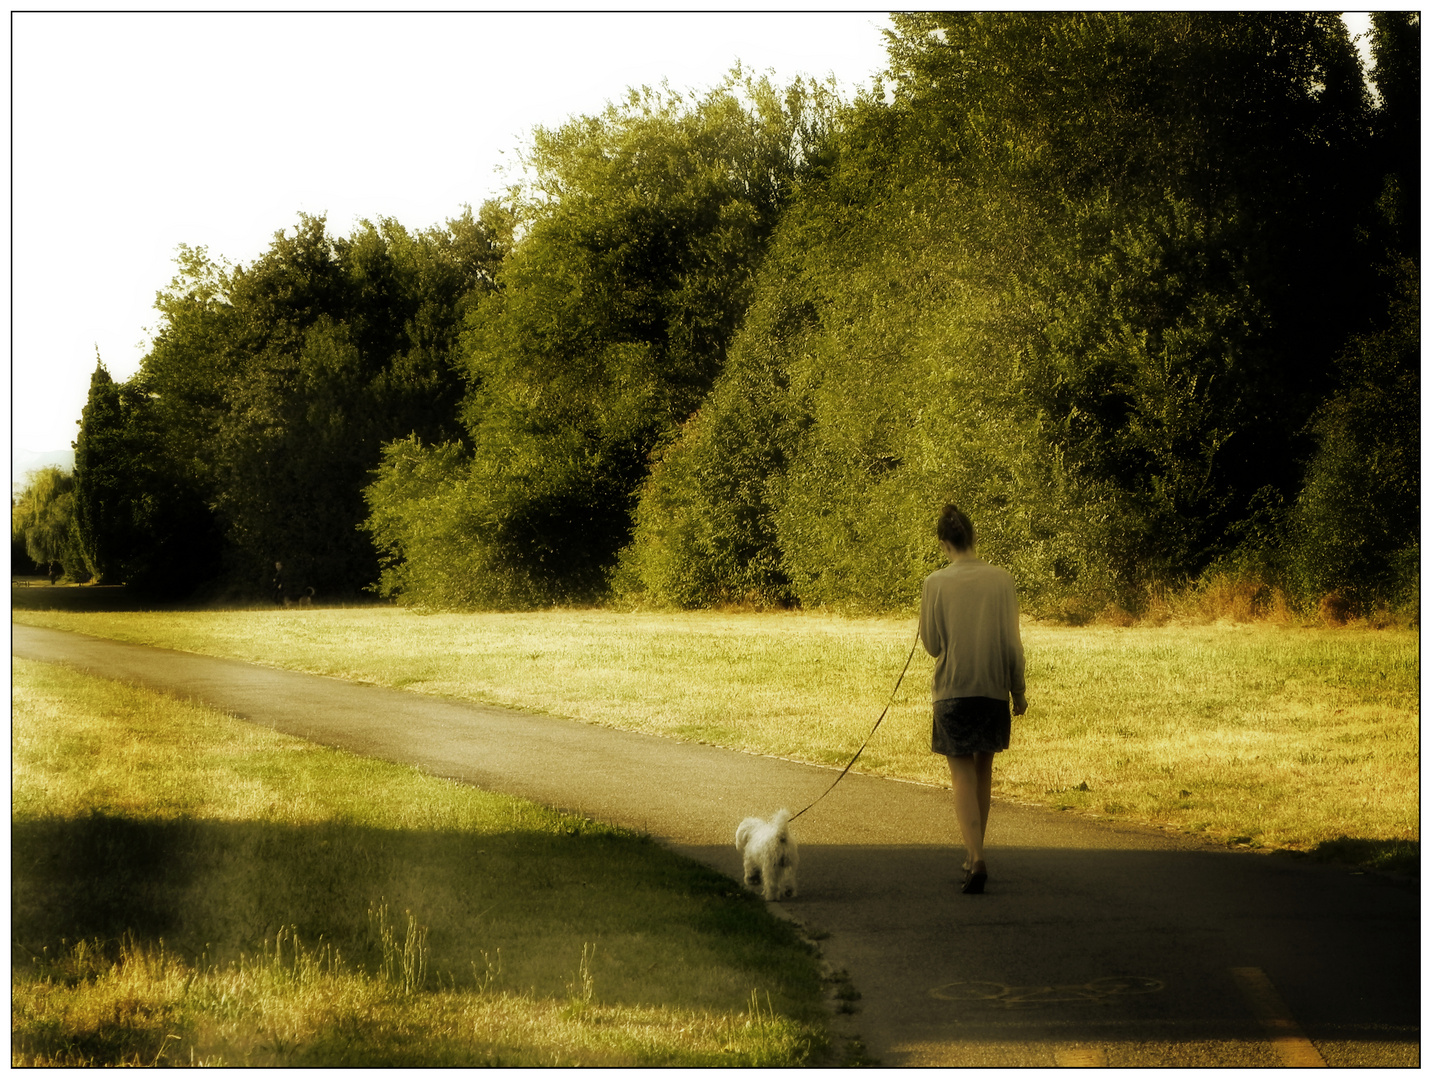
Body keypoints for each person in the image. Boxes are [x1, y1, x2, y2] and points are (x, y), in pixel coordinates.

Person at [918, 504, 1027, 894]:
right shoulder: (1002, 580)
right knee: (983, 769)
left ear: (944, 543)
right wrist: (1018, 690)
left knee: (961, 772)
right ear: (972, 537)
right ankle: (973, 854)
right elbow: (1012, 641)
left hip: (953, 690)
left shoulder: (935, 583)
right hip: (993, 689)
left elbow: (931, 645)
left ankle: (976, 856)